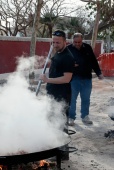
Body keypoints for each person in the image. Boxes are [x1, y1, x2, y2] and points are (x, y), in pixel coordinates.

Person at [39, 29, 75, 161]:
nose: (55, 44)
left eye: (58, 42)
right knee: (52, 122)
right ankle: (55, 150)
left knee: (60, 124)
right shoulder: (57, 53)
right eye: (53, 42)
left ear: (65, 42)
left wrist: (47, 80)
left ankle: (62, 154)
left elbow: (67, 78)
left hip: (62, 95)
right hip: (52, 93)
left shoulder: (68, 57)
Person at [68, 33, 103, 126]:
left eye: (79, 42)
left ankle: (85, 116)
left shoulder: (87, 47)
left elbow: (93, 61)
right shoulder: (68, 49)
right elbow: (64, 63)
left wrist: (99, 73)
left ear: (82, 40)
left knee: (86, 99)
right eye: (75, 42)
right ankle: (71, 117)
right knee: (72, 99)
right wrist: (71, 65)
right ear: (72, 41)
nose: (77, 44)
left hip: (87, 78)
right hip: (73, 79)